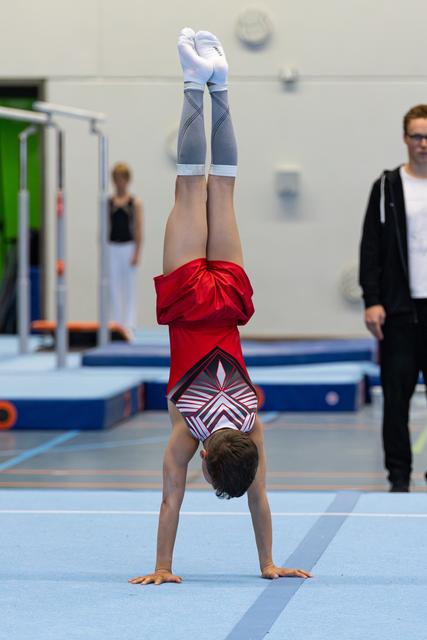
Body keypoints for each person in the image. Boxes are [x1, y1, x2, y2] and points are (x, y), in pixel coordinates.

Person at [129, 28, 312, 586]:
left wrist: (268, 563)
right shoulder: (188, 432)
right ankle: (192, 79)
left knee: (222, 187)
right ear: (207, 461)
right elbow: (171, 502)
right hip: (188, 300)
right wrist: (162, 567)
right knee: (191, 187)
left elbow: (259, 501)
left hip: (228, 302)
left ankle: (220, 82)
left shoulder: (253, 427)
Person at [359, 104, 427, 492]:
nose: (423, 144)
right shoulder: (386, 187)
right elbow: (370, 247)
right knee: (396, 404)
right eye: (416, 136)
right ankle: (398, 479)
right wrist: (372, 299)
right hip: (399, 312)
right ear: (405, 138)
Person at [108, 162, 143, 334]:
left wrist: (137, 252)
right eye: (116, 179)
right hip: (112, 247)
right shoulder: (108, 202)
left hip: (129, 247)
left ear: (127, 180)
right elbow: (105, 228)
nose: (119, 182)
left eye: (122, 179)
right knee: (113, 286)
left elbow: (138, 229)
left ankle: (129, 323)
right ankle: (116, 322)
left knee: (129, 287)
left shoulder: (134, 202)